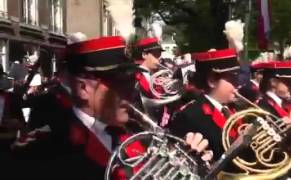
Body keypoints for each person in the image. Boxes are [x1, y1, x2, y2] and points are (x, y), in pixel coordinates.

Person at [10, 36, 212, 180]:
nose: (131, 90)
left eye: (131, 80)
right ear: (83, 88)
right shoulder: (46, 150)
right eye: (119, 82)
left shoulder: (139, 133)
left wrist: (190, 162)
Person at [169, 48, 241, 161]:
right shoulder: (190, 115)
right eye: (231, 79)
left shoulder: (238, 108)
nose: (238, 84)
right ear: (212, 81)